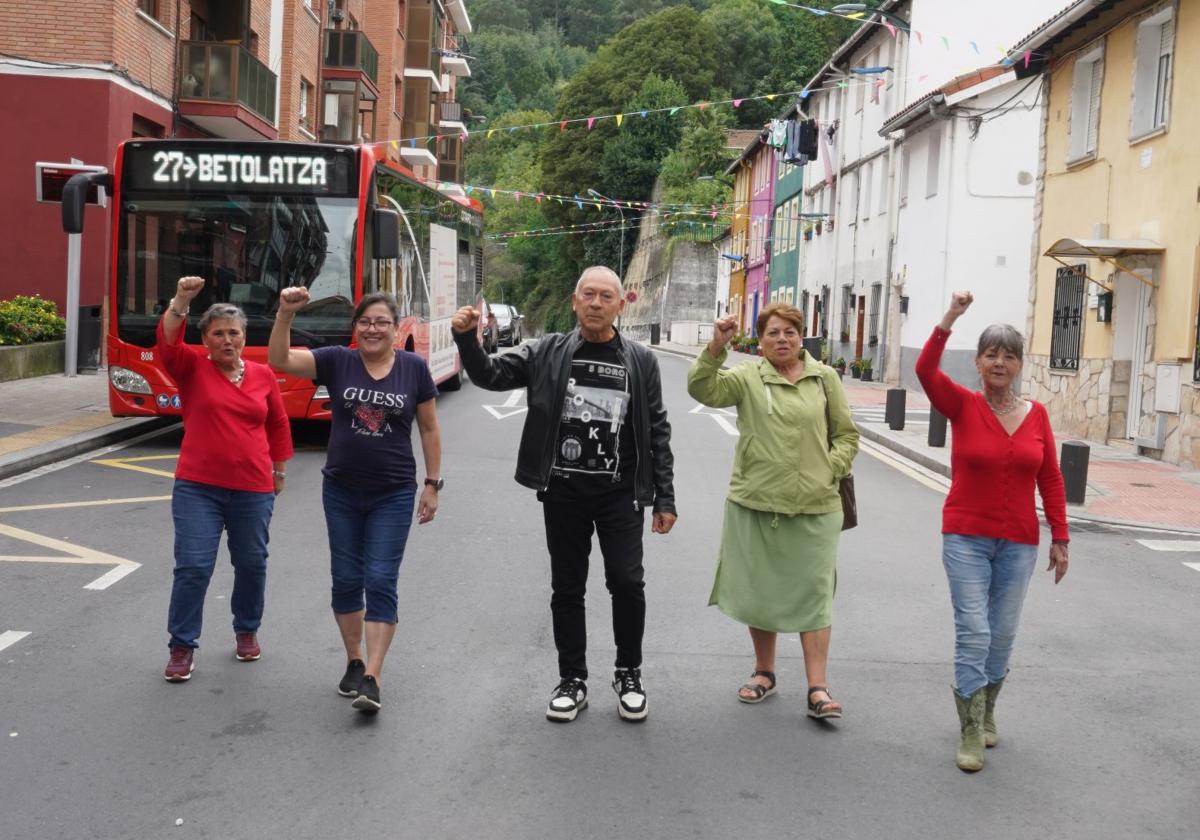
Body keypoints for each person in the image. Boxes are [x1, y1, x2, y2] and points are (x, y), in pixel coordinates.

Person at [450, 266, 676, 723]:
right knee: (567, 588)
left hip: (621, 494)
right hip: (564, 493)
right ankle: (572, 679)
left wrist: (665, 497)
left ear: (620, 305)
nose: (595, 302)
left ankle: (628, 672)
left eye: (605, 296)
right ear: (575, 302)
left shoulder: (640, 360)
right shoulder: (546, 351)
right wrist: (466, 341)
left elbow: (657, 429)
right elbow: (491, 376)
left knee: (628, 584)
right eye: (588, 294)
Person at [916, 291, 1070, 772]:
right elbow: (924, 371)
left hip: (1020, 541)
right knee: (975, 631)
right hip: (965, 536)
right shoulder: (961, 405)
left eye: (1009, 355)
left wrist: (1061, 538)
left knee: (1002, 634)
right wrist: (951, 317)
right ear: (978, 363)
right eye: (991, 353)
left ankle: (987, 710)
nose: (999, 362)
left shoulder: (1038, 415)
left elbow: (1051, 477)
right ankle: (969, 728)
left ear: (1020, 364)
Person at [269, 289, 441, 714]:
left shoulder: (414, 369)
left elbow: (430, 429)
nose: (372, 329)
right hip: (342, 490)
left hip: (394, 491)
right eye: (365, 322)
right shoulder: (336, 361)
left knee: (381, 578)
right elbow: (279, 361)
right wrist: (285, 315)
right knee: (346, 577)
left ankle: (373, 677)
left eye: (382, 322)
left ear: (396, 327)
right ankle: (353, 660)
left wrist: (433, 484)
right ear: (355, 328)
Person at [688, 302, 858, 720]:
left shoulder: (825, 378)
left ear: (802, 337)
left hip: (816, 506)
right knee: (761, 591)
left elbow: (847, 436)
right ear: (760, 341)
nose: (782, 339)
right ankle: (764, 672)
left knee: (815, 593)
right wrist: (717, 345)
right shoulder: (747, 377)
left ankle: (818, 686)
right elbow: (702, 390)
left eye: (790, 332)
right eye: (772, 333)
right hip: (756, 501)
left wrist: (827, 470)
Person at [159, 276, 293, 682]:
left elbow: (277, 422)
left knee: (252, 563)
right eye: (217, 333)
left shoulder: (261, 375)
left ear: (244, 336)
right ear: (204, 339)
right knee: (194, 567)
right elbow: (167, 342)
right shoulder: (190, 369)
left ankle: (246, 630)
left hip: (253, 487)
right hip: (198, 487)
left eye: (233, 332)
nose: (226, 340)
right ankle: (182, 646)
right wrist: (181, 298)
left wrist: (280, 468)